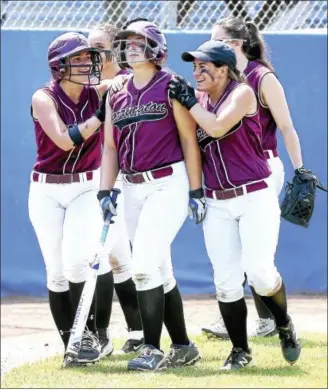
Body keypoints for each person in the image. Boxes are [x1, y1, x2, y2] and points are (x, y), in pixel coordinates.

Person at [168, 39, 301, 369]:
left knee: (259, 273)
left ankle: (283, 323)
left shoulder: (242, 93)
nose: (197, 72)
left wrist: (187, 101)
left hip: (254, 194)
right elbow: (191, 144)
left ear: (224, 70)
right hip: (217, 201)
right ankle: (240, 350)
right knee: (226, 280)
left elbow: (215, 126)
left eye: (204, 66)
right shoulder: (197, 99)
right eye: (194, 66)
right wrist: (196, 192)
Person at [99, 20, 205, 371]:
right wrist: (105, 189)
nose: (130, 47)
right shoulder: (116, 91)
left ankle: (151, 348)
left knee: (143, 267)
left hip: (167, 182)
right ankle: (183, 347)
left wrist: (195, 190)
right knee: (161, 268)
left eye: (139, 42)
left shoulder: (171, 84)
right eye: (126, 42)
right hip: (131, 186)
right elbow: (111, 147)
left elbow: (189, 140)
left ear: (156, 48)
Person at [202, 16, 305, 340]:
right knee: (234, 253)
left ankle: (269, 318)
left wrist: (300, 170)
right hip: (227, 170)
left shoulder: (261, 77)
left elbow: (286, 126)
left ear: (235, 44)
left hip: (263, 165)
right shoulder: (219, 80)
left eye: (218, 39)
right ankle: (242, 312)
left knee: (254, 252)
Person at [29, 32, 121, 366]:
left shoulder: (96, 89)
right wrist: (98, 116)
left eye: (88, 58)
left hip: (85, 184)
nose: (86, 64)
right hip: (46, 190)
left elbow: (130, 82)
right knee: (55, 272)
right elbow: (64, 141)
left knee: (77, 261)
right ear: (59, 66)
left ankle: (94, 335)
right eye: (77, 59)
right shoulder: (44, 97)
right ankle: (74, 343)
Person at [88, 22, 144, 355]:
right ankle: (133, 331)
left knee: (111, 255)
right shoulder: (88, 79)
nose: (90, 54)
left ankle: (105, 335)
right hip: (89, 178)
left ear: (114, 48)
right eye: (87, 47)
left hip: (118, 178)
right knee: (116, 257)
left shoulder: (123, 81)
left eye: (98, 47)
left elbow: (113, 87)